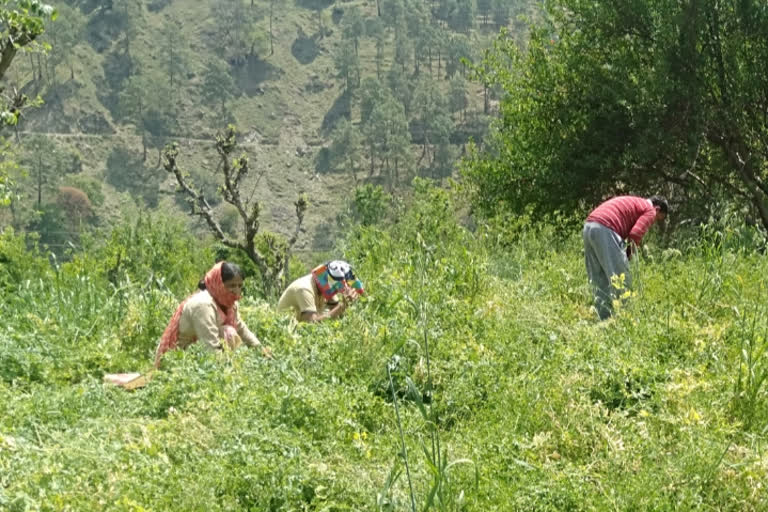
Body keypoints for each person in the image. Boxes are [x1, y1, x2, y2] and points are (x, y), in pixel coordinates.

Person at [154, 261, 271, 367]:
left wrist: (261, 350)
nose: (236, 291)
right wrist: (232, 370)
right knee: (228, 332)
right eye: (231, 286)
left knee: (229, 331)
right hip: (180, 356)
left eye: (239, 286)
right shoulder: (203, 305)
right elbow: (210, 346)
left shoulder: (229, 303)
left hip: (200, 349)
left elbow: (242, 329)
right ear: (219, 283)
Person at [583, 195, 668, 320]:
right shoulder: (650, 210)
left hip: (589, 226)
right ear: (658, 209)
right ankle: (627, 318)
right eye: (657, 219)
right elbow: (635, 234)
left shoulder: (636, 202)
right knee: (622, 278)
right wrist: (628, 256)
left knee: (599, 278)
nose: (654, 221)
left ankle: (603, 319)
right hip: (606, 228)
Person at [277, 260, 364, 323]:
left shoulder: (325, 288)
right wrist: (342, 306)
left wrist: (347, 304)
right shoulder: (304, 289)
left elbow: (337, 313)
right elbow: (312, 323)